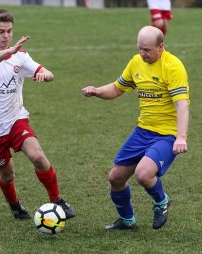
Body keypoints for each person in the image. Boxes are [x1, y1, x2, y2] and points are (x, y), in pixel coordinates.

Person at [81, 26, 189, 230]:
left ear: (161, 47)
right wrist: (97, 91)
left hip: (167, 134)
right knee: (116, 178)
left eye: (147, 50)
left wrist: (181, 137)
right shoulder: (136, 62)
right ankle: (127, 220)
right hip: (143, 131)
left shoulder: (173, 66)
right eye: (140, 48)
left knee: (143, 174)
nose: (142, 53)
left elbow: (181, 105)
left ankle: (161, 201)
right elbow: (116, 88)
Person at [0, 8, 75, 220]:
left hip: (16, 119)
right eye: (1, 31)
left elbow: (47, 73)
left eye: (9, 31)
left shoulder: (21, 57)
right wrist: (9, 52)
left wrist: (45, 76)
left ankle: (56, 199)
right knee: (7, 175)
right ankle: (15, 205)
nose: (6, 36)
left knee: (37, 156)